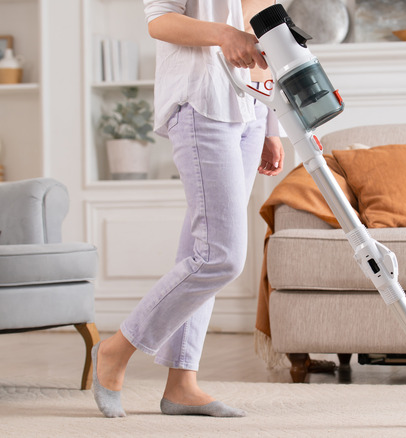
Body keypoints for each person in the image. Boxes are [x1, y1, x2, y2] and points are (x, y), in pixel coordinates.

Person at [91, 0, 284, 418]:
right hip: (201, 103)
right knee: (221, 256)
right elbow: (159, 21)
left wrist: (271, 122)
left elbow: (265, 31)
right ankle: (114, 350)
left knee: (200, 250)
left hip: (250, 112)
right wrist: (222, 34)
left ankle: (181, 383)